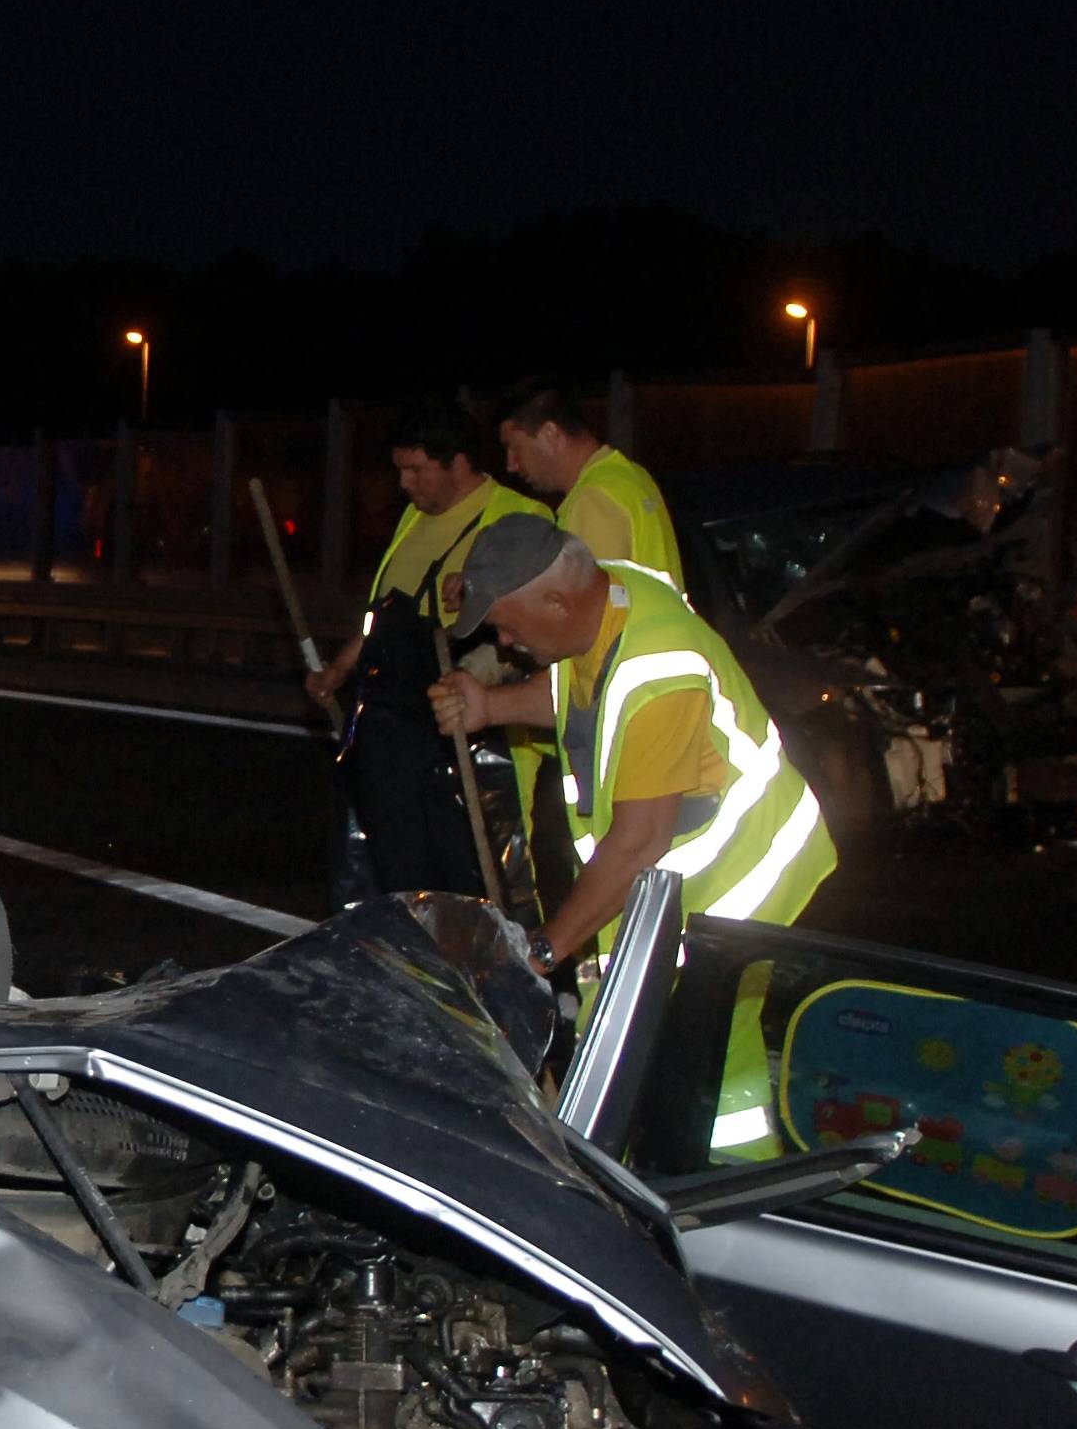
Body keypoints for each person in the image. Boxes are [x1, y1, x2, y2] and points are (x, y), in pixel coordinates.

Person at [428, 515, 835, 1156]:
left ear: (558, 601)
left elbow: (638, 843)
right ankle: (670, 1173)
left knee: (694, 1054)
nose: (502, 642)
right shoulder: (610, 600)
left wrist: (539, 954)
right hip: (673, 882)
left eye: (506, 623)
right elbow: (578, 694)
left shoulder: (658, 674)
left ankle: (716, 1202)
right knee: (661, 1044)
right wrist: (491, 706)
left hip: (733, 888)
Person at [307, 401, 545, 898]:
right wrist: (340, 668)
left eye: (416, 470)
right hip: (387, 731)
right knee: (392, 871)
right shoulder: (413, 520)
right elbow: (384, 612)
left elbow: (531, 633)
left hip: (463, 744)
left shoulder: (517, 519)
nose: (405, 484)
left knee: (467, 880)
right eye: (399, 470)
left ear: (457, 461)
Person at [496, 378, 685, 589]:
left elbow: (587, 610)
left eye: (515, 448)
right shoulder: (629, 475)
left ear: (550, 432)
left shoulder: (592, 500)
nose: (510, 465)